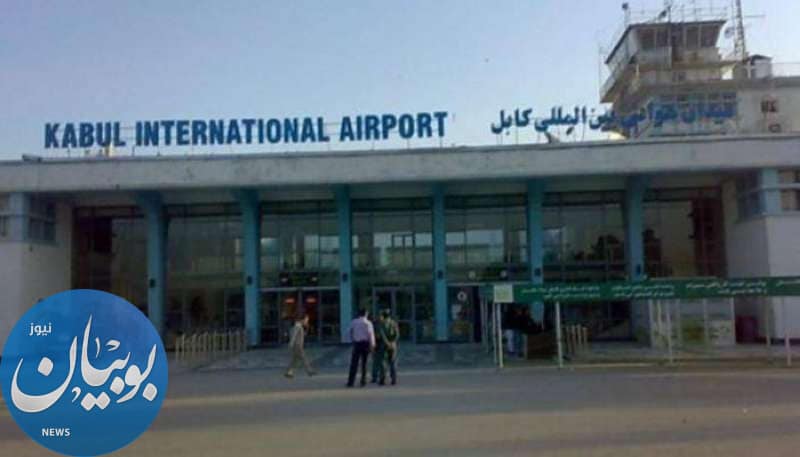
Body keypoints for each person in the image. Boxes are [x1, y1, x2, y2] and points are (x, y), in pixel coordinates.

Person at [347, 308, 375, 388]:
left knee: (354, 363)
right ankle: (363, 381)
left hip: (357, 344)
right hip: (365, 344)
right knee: (364, 363)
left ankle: (351, 382)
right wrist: (372, 345)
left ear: (359, 314)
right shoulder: (368, 323)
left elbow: (349, 331)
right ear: (366, 314)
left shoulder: (354, 322)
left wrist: (352, 340)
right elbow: (371, 335)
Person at [284, 314, 316, 378]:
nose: (307, 321)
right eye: (306, 320)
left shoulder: (299, 326)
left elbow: (300, 335)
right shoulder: (298, 326)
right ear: (302, 319)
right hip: (297, 345)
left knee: (295, 360)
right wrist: (291, 343)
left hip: (297, 345)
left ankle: (289, 372)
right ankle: (309, 371)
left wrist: (306, 329)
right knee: (304, 358)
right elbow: (294, 335)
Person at [377, 309, 399, 386]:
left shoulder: (381, 323)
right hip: (393, 345)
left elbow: (381, 334)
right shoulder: (393, 323)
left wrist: (387, 343)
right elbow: (397, 334)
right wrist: (393, 342)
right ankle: (394, 379)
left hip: (384, 345)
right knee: (393, 362)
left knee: (383, 362)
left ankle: (382, 379)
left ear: (383, 315)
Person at [370, 311, 386, 384]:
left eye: (381, 316)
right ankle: (374, 377)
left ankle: (382, 378)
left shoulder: (384, 323)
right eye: (378, 316)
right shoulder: (374, 324)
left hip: (382, 344)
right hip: (375, 344)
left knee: (381, 362)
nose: (379, 317)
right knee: (375, 362)